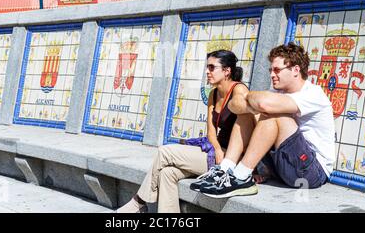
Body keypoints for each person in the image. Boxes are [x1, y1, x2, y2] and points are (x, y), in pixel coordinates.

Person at [117, 49, 255, 213]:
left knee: (165, 152)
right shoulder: (213, 93)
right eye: (207, 67)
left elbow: (247, 111)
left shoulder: (239, 90)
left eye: (212, 67)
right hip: (216, 153)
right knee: (167, 173)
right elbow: (211, 131)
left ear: (227, 71)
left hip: (230, 160)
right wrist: (217, 149)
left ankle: (138, 203)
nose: (207, 71)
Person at [199, 43, 335, 198]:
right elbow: (233, 105)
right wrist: (250, 106)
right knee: (247, 113)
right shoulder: (277, 92)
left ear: (296, 70)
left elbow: (264, 104)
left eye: (277, 70)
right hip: (282, 165)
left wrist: (248, 98)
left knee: (273, 114)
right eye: (271, 70)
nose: (272, 75)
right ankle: (225, 169)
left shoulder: (313, 94)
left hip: (311, 171)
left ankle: (241, 176)